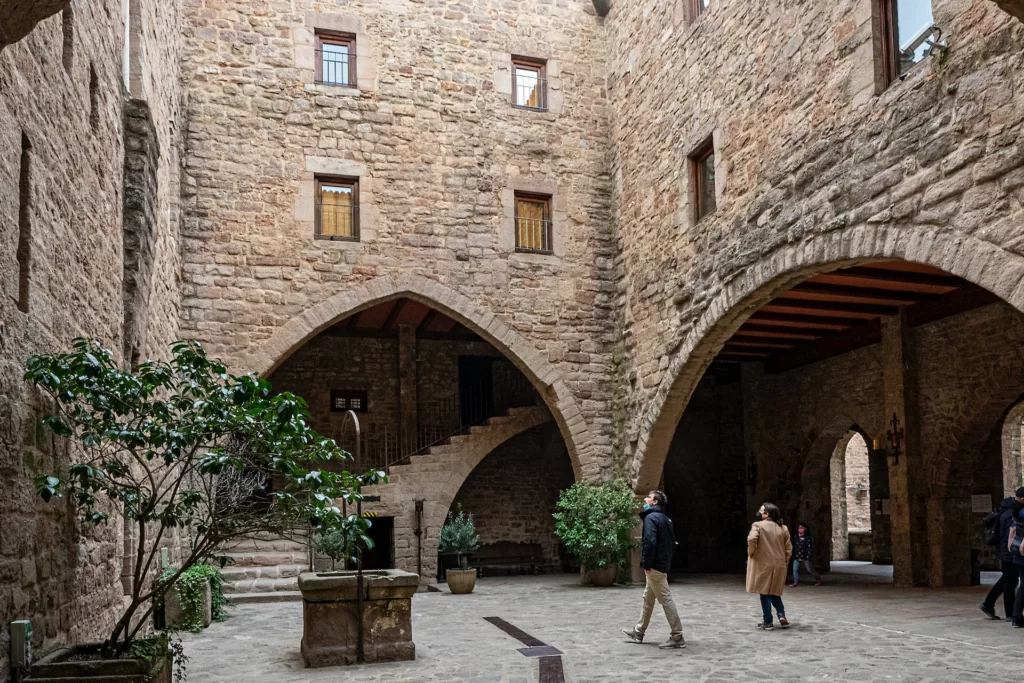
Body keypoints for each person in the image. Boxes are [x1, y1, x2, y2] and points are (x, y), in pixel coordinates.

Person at [622, 490, 685, 649]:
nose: (645, 499)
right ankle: (639, 631)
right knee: (648, 598)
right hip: (662, 563)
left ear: (655, 502)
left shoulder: (651, 518)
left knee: (665, 598)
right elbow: (672, 544)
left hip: (655, 566)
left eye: (648, 497)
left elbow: (650, 542)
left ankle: (677, 635)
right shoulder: (665, 519)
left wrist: (647, 563)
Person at [980, 488, 1024, 621]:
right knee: (1010, 582)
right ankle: (1010, 613)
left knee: (1007, 579)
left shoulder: (1007, 508)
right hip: (1010, 551)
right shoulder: (1012, 513)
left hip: (1006, 551)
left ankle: (988, 604)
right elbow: (1010, 534)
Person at [747, 502, 792, 631]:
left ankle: (768, 621)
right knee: (774, 591)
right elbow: (788, 548)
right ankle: (781, 615)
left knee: (765, 593)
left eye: (762, 511)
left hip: (763, 563)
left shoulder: (758, 526)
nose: (760, 513)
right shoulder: (783, 528)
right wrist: (785, 560)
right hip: (779, 564)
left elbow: (751, 539)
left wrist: (752, 553)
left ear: (767, 514)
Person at [789, 522, 821, 587]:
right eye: (799, 528)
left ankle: (818, 579)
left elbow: (809, 548)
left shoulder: (808, 538)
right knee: (795, 570)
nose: (800, 529)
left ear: (805, 529)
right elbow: (794, 546)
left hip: (805, 557)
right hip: (797, 556)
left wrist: (808, 556)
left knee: (809, 569)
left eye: (801, 527)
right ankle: (795, 582)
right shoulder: (796, 537)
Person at [1010, 506, 1024, 629]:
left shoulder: (1017, 515)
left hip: (1017, 552)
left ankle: (1016, 616)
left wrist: (1011, 547)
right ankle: (1017, 616)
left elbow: (1012, 531)